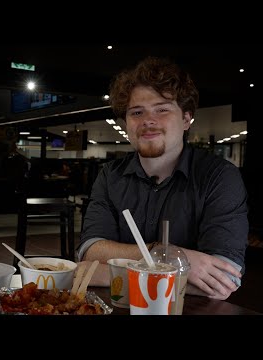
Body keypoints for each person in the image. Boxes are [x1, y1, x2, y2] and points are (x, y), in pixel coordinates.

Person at [78, 57, 248, 301]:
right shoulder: (110, 175)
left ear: (187, 119)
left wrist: (109, 274)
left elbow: (223, 282)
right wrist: (174, 257)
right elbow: (91, 251)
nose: (148, 120)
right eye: (137, 112)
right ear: (126, 124)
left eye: (162, 109)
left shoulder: (219, 177)